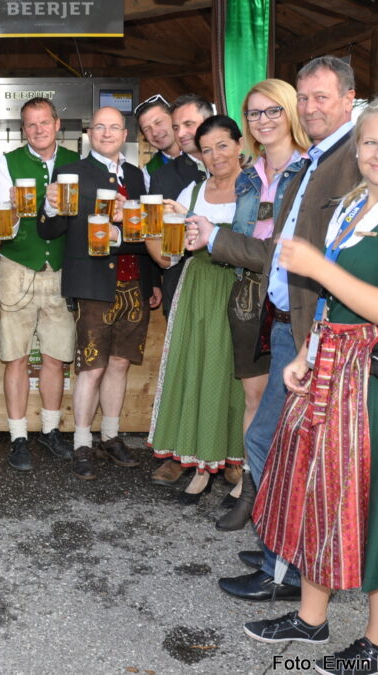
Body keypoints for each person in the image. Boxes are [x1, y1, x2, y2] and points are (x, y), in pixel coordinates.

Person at [243, 89, 378, 675]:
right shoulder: (354, 203)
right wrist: (306, 351)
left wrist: (318, 266)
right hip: (331, 367)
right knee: (317, 490)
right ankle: (311, 620)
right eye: (369, 142)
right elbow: (335, 301)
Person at [188, 55, 361, 602]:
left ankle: (283, 569)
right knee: (272, 442)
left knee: (283, 448)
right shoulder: (309, 162)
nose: (310, 109)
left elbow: (340, 258)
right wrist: (213, 239)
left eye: (319, 99)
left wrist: (318, 337)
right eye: (304, 99)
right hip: (286, 321)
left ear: (348, 99)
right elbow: (275, 252)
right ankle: (277, 551)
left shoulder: (350, 160)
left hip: (316, 329)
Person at [37, 107, 156, 480]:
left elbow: (147, 232)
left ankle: (111, 435)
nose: (107, 133)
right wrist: (49, 206)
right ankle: (83, 442)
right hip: (92, 283)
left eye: (114, 127)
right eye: (100, 127)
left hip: (132, 281)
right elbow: (50, 231)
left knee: (120, 363)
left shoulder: (137, 176)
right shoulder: (71, 173)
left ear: (126, 134)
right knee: (92, 366)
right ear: (89, 132)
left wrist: (153, 280)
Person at [214, 79, 309, 529]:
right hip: (250, 293)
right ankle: (252, 489)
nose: (264, 120)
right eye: (254, 113)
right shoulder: (249, 174)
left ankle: (276, 501)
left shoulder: (309, 170)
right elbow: (251, 235)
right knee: (255, 396)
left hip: (293, 298)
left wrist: (217, 240)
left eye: (273, 111)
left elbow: (278, 249)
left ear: (291, 111)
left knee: (287, 404)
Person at [146, 115, 247, 504]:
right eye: (207, 149)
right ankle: (203, 467)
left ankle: (237, 463)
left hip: (240, 286)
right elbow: (169, 257)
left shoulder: (257, 189)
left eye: (223, 145)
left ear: (240, 145)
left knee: (235, 377)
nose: (216, 155)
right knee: (198, 370)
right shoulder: (192, 192)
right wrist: (154, 226)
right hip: (199, 286)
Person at [0, 97, 80, 471]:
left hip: (61, 270)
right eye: (30, 124)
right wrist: (8, 207)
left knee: (57, 356)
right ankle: (18, 436)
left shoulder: (78, 163)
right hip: (17, 267)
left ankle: (51, 431)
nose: (38, 130)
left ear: (58, 124)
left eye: (44, 123)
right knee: (17, 356)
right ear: (22, 129)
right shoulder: (5, 164)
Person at [148, 94, 213, 488]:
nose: (182, 133)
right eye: (178, 127)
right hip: (180, 280)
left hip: (229, 283)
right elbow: (163, 250)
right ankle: (181, 453)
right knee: (183, 367)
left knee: (224, 371)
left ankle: (226, 455)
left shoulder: (239, 172)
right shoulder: (168, 176)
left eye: (190, 125)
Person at [134, 94, 180, 189]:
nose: (154, 132)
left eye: (158, 122)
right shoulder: (149, 172)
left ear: (174, 119)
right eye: (147, 129)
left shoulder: (201, 154)